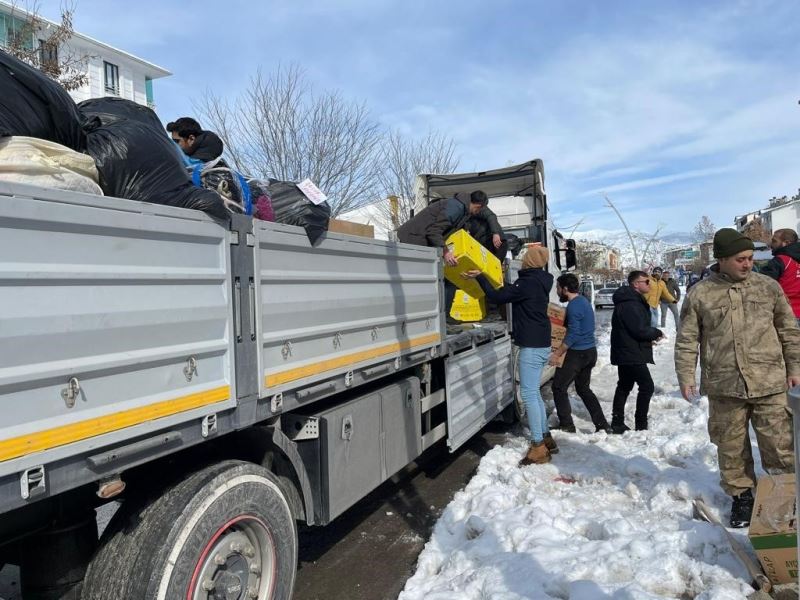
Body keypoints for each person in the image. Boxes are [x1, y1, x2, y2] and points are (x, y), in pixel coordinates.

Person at [675, 228, 800, 528]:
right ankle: (742, 497)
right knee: (731, 446)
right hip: (724, 384)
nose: (747, 264)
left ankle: (786, 494)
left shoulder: (768, 287)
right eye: (740, 259)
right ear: (722, 259)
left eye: (749, 258)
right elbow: (688, 338)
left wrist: (795, 367)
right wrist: (685, 374)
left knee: (780, 444)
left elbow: (788, 330)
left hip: (769, 381)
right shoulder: (701, 293)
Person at [462, 246, 555, 464]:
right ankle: (545, 438)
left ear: (530, 261)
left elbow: (498, 296)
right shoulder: (540, 281)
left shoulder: (528, 282)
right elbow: (512, 291)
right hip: (541, 342)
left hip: (531, 345)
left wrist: (481, 277)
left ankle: (538, 447)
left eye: (525, 257)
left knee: (529, 394)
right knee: (535, 394)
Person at [397, 190, 488, 319]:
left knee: (448, 279)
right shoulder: (456, 207)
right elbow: (434, 231)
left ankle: (443, 318)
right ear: (478, 206)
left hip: (422, 241)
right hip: (414, 239)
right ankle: (439, 319)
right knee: (436, 280)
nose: (477, 213)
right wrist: (446, 252)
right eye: (479, 210)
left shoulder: (462, 209)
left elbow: (448, 228)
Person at [549, 273, 611, 433]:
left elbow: (574, 333)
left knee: (558, 387)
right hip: (590, 351)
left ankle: (567, 425)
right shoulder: (582, 301)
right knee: (583, 389)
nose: (557, 291)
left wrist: (558, 353)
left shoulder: (574, 306)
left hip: (578, 354)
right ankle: (602, 424)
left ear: (565, 288)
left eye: (557, 288)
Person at [609, 271, 664, 433]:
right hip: (630, 352)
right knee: (647, 386)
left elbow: (633, 329)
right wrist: (656, 332)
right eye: (646, 281)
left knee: (624, 385)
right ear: (636, 284)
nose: (650, 283)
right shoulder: (630, 304)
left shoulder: (631, 301)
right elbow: (639, 330)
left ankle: (617, 421)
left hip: (628, 349)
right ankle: (640, 424)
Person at [760, 228, 800, 326]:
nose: (771, 244)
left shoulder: (780, 261)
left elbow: (762, 284)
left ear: (785, 243)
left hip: (786, 314)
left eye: (774, 241)